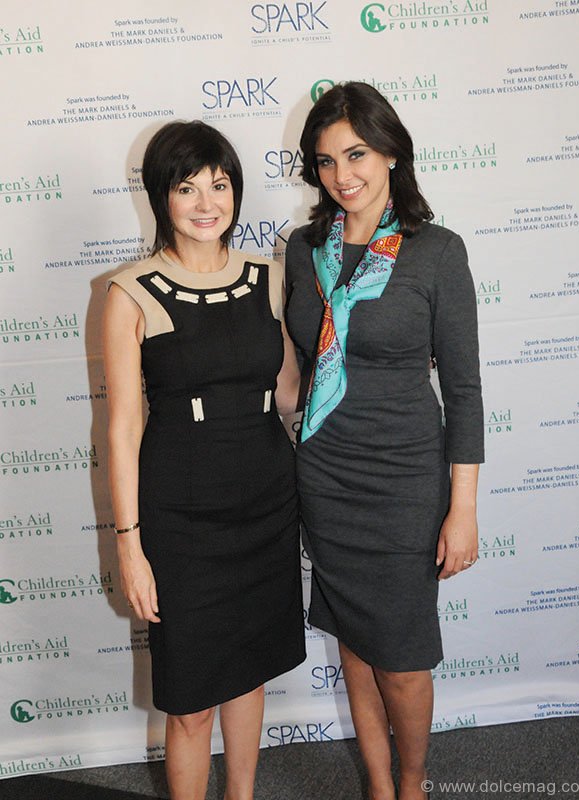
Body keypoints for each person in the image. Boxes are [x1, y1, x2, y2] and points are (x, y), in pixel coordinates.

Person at [285, 82, 484, 800]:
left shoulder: (437, 253)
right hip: (326, 476)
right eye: (326, 160)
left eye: (357, 154)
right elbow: (295, 373)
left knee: (400, 660)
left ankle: (413, 784)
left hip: (404, 482)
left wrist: (462, 508)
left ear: (392, 152)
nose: (342, 175)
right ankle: (378, 785)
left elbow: (464, 392)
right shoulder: (305, 250)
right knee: (356, 648)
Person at [103, 120, 305, 800]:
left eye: (219, 185)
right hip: (181, 520)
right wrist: (129, 545)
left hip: (268, 504)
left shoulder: (269, 277)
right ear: (162, 195)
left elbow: (289, 392)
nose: (206, 203)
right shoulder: (129, 292)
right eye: (187, 187)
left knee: (249, 674)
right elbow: (122, 428)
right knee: (190, 703)